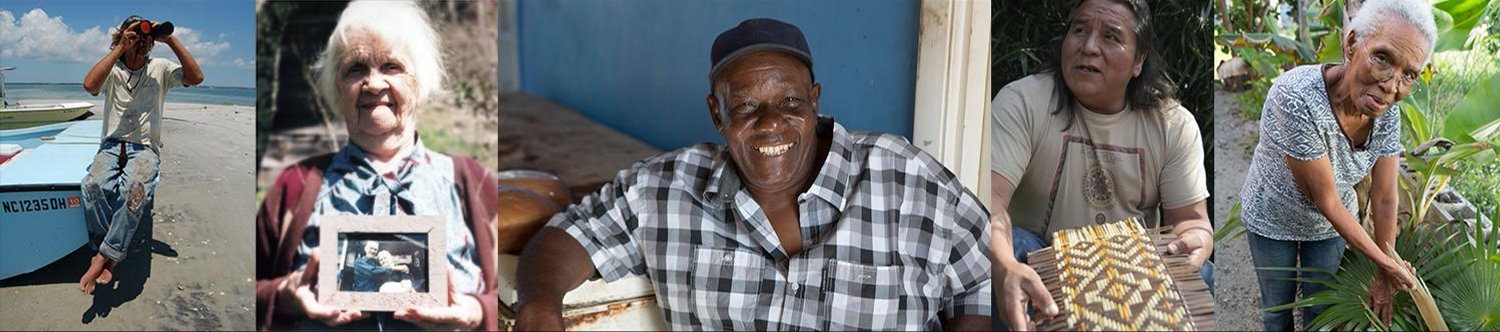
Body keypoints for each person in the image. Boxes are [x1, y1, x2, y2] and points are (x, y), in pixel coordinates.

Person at [511, 18, 992, 331]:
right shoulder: (666, 190)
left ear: (814, 99)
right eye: (745, 106)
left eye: (789, 103)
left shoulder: (903, 178)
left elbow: (980, 274)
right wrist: (537, 308)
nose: (771, 124)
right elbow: (571, 234)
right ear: (716, 115)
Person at [253, 1, 499, 330]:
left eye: (391, 66)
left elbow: (514, 292)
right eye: (355, 68)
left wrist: (476, 311)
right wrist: (285, 293)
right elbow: (248, 289)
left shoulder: (473, 182)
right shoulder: (295, 184)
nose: (373, 83)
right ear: (337, 88)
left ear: (420, 79)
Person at [987, 0, 1212, 329]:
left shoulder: (1173, 125)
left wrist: (1193, 242)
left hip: (1133, 273)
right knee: (1011, 244)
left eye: (1111, 36)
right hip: (1042, 263)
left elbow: (1192, 222)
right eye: (1079, 30)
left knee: (1203, 274)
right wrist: (1006, 266)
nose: (1089, 47)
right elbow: (989, 201)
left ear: (1138, 61)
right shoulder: (1023, 102)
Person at [1238, 0, 1434, 329]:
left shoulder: (1388, 115)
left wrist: (1385, 271)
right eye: (1383, 58)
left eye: (1408, 74)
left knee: (1321, 310)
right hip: (1272, 214)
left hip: (1329, 227)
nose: (1391, 86)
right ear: (1352, 43)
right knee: (1277, 311)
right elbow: (1324, 198)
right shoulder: (1296, 97)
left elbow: (1385, 196)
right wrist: (1386, 264)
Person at [77, 14, 204, 294]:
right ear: (122, 37)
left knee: (134, 192)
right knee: (92, 186)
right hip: (112, 144)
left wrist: (168, 38)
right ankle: (108, 250)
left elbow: (196, 77)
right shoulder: (113, 68)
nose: (142, 41)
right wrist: (120, 47)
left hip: (145, 147)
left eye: (147, 38)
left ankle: (103, 256)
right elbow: (90, 85)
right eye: (136, 35)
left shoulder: (159, 68)